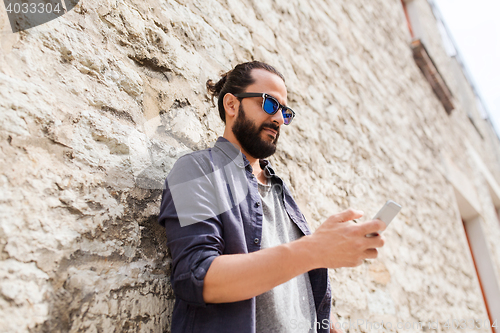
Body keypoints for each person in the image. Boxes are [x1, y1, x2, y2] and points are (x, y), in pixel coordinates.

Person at [158, 61, 386, 333]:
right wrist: (313, 250)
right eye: (269, 104)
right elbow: (196, 277)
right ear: (232, 105)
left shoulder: (280, 192)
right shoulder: (195, 170)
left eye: (285, 111)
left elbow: (293, 284)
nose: (279, 118)